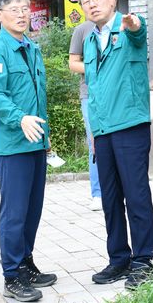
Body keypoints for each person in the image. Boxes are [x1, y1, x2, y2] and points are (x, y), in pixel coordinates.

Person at [77, 0, 153, 290]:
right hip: (104, 130)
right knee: (110, 198)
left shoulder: (128, 28)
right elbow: (93, 89)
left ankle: (143, 260)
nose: (92, 4)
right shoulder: (88, 39)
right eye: (86, 1)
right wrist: (94, 133)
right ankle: (119, 257)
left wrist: (135, 24)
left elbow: (139, 32)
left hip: (130, 126)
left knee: (136, 195)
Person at [0, 0, 57, 302]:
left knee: (33, 210)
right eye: (14, 9)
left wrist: (44, 135)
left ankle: (26, 263)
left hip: (35, 143)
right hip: (12, 144)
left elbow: (39, 96)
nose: (22, 14)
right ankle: (11, 276)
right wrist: (20, 119)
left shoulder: (31, 48)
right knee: (14, 212)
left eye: (25, 8)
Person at [68, 19, 102, 211]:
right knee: (95, 144)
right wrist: (95, 68)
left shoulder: (120, 25)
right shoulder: (82, 29)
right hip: (89, 94)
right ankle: (97, 193)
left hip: (115, 94)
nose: (93, 4)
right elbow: (73, 63)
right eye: (87, 0)